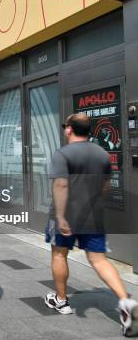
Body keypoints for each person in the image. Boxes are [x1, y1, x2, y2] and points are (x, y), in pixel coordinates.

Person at [44, 113, 137, 336]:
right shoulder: (102, 153)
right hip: (92, 214)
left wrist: (61, 216)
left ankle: (62, 301)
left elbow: (61, 185)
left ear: (69, 129)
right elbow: (105, 186)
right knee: (98, 259)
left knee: (59, 254)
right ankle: (125, 301)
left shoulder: (62, 153)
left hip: (66, 214)